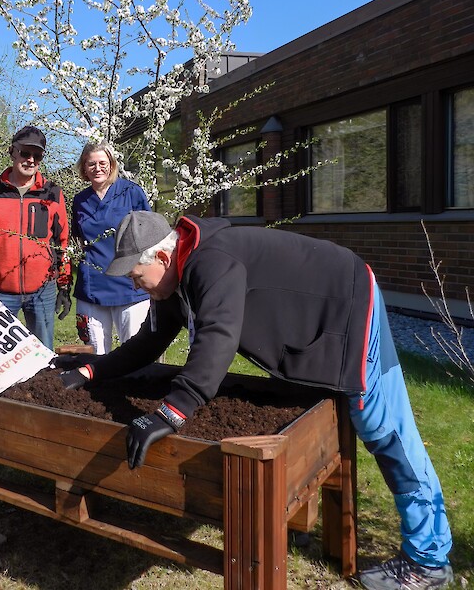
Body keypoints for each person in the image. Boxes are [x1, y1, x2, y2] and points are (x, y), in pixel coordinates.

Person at [58, 211, 454, 590]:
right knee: (315, 407)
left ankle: (428, 560)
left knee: (383, 427)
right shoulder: (176, 273)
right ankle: (305, 525)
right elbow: (150, 341)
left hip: (348, 300)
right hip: (314, 317)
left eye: (137, 276)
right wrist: (94, 369)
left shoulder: (212, 261)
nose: (134, 285)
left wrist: (173, 411)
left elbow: (219, 334)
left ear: (162, 256)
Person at [0, 125, 71, 350]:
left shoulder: (52, 193)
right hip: (0, 290)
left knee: (43, 355)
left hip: (42, 290)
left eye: (37, 155)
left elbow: (62, 242)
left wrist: (64, 285)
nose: (31, 160)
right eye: (25, 153)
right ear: (12, 152)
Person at [70, 141, 151, 354]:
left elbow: (150, 236)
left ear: (112, 164)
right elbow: (78, 239)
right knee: (95, 354)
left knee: (135, 352)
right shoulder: (80, 200)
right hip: (92, 287)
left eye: (102, 163)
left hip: (128, 285)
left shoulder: (131, 192)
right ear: (84, 168)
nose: (97, 168)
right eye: (91, 164)